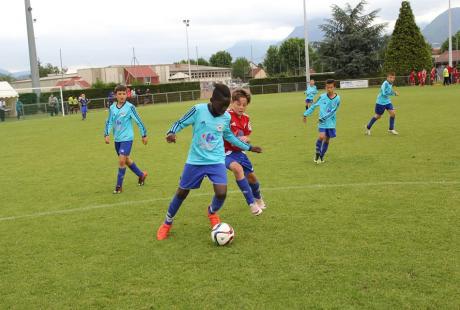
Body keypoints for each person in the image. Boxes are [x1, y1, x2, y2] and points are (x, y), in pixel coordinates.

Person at [156, 84, 263, 241]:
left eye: (226, 106)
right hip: (195, 160)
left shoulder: (225, 117)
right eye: (221, 105)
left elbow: (230, 136)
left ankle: (212, 212)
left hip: (216, 160)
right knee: (182, 192)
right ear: (212, 100)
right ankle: (167, 223)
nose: (223, 109)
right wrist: (171, 133)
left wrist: (249, 147)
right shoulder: (198, 110)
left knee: (221, 193)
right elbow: (180, 122)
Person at [224, 89, 266, 216]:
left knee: (252, 178)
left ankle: (258, 198)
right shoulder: (225, 116)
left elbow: (247, 135)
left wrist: (246, 139)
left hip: (240, 152)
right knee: (237, 169)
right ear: (232, 102)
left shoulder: (246, 118)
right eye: (238, 104)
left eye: (244, 105)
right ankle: (251, 204)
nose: (241, 107)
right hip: (224, 152)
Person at [104, 84, 148, 194]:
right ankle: (141, 175)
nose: (122, 96)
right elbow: (109, 122)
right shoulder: (112, 108)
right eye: (120, 94)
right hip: (117, 139)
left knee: (121, 160)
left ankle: (119, 186)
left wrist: (144, 135)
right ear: (116, 95)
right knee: (126, 160)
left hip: (127, 138)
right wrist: (107, 134)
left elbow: (139, 121)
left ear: (127, 95)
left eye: (124, 94)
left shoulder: (130, 107)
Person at [303, 79, 341, 164]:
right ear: (325, 87)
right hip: (322, 122)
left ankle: (322, 156)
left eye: (331, 87)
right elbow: (313, 106)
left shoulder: (337, 98)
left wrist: (324, 118)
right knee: (321, 137)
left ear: (334, 87)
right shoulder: (322, 96)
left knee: (327, 140)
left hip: (331, 122)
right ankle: (317, 153)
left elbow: (333, 111)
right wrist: (305, 114)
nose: (329, 89)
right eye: (327, 87)